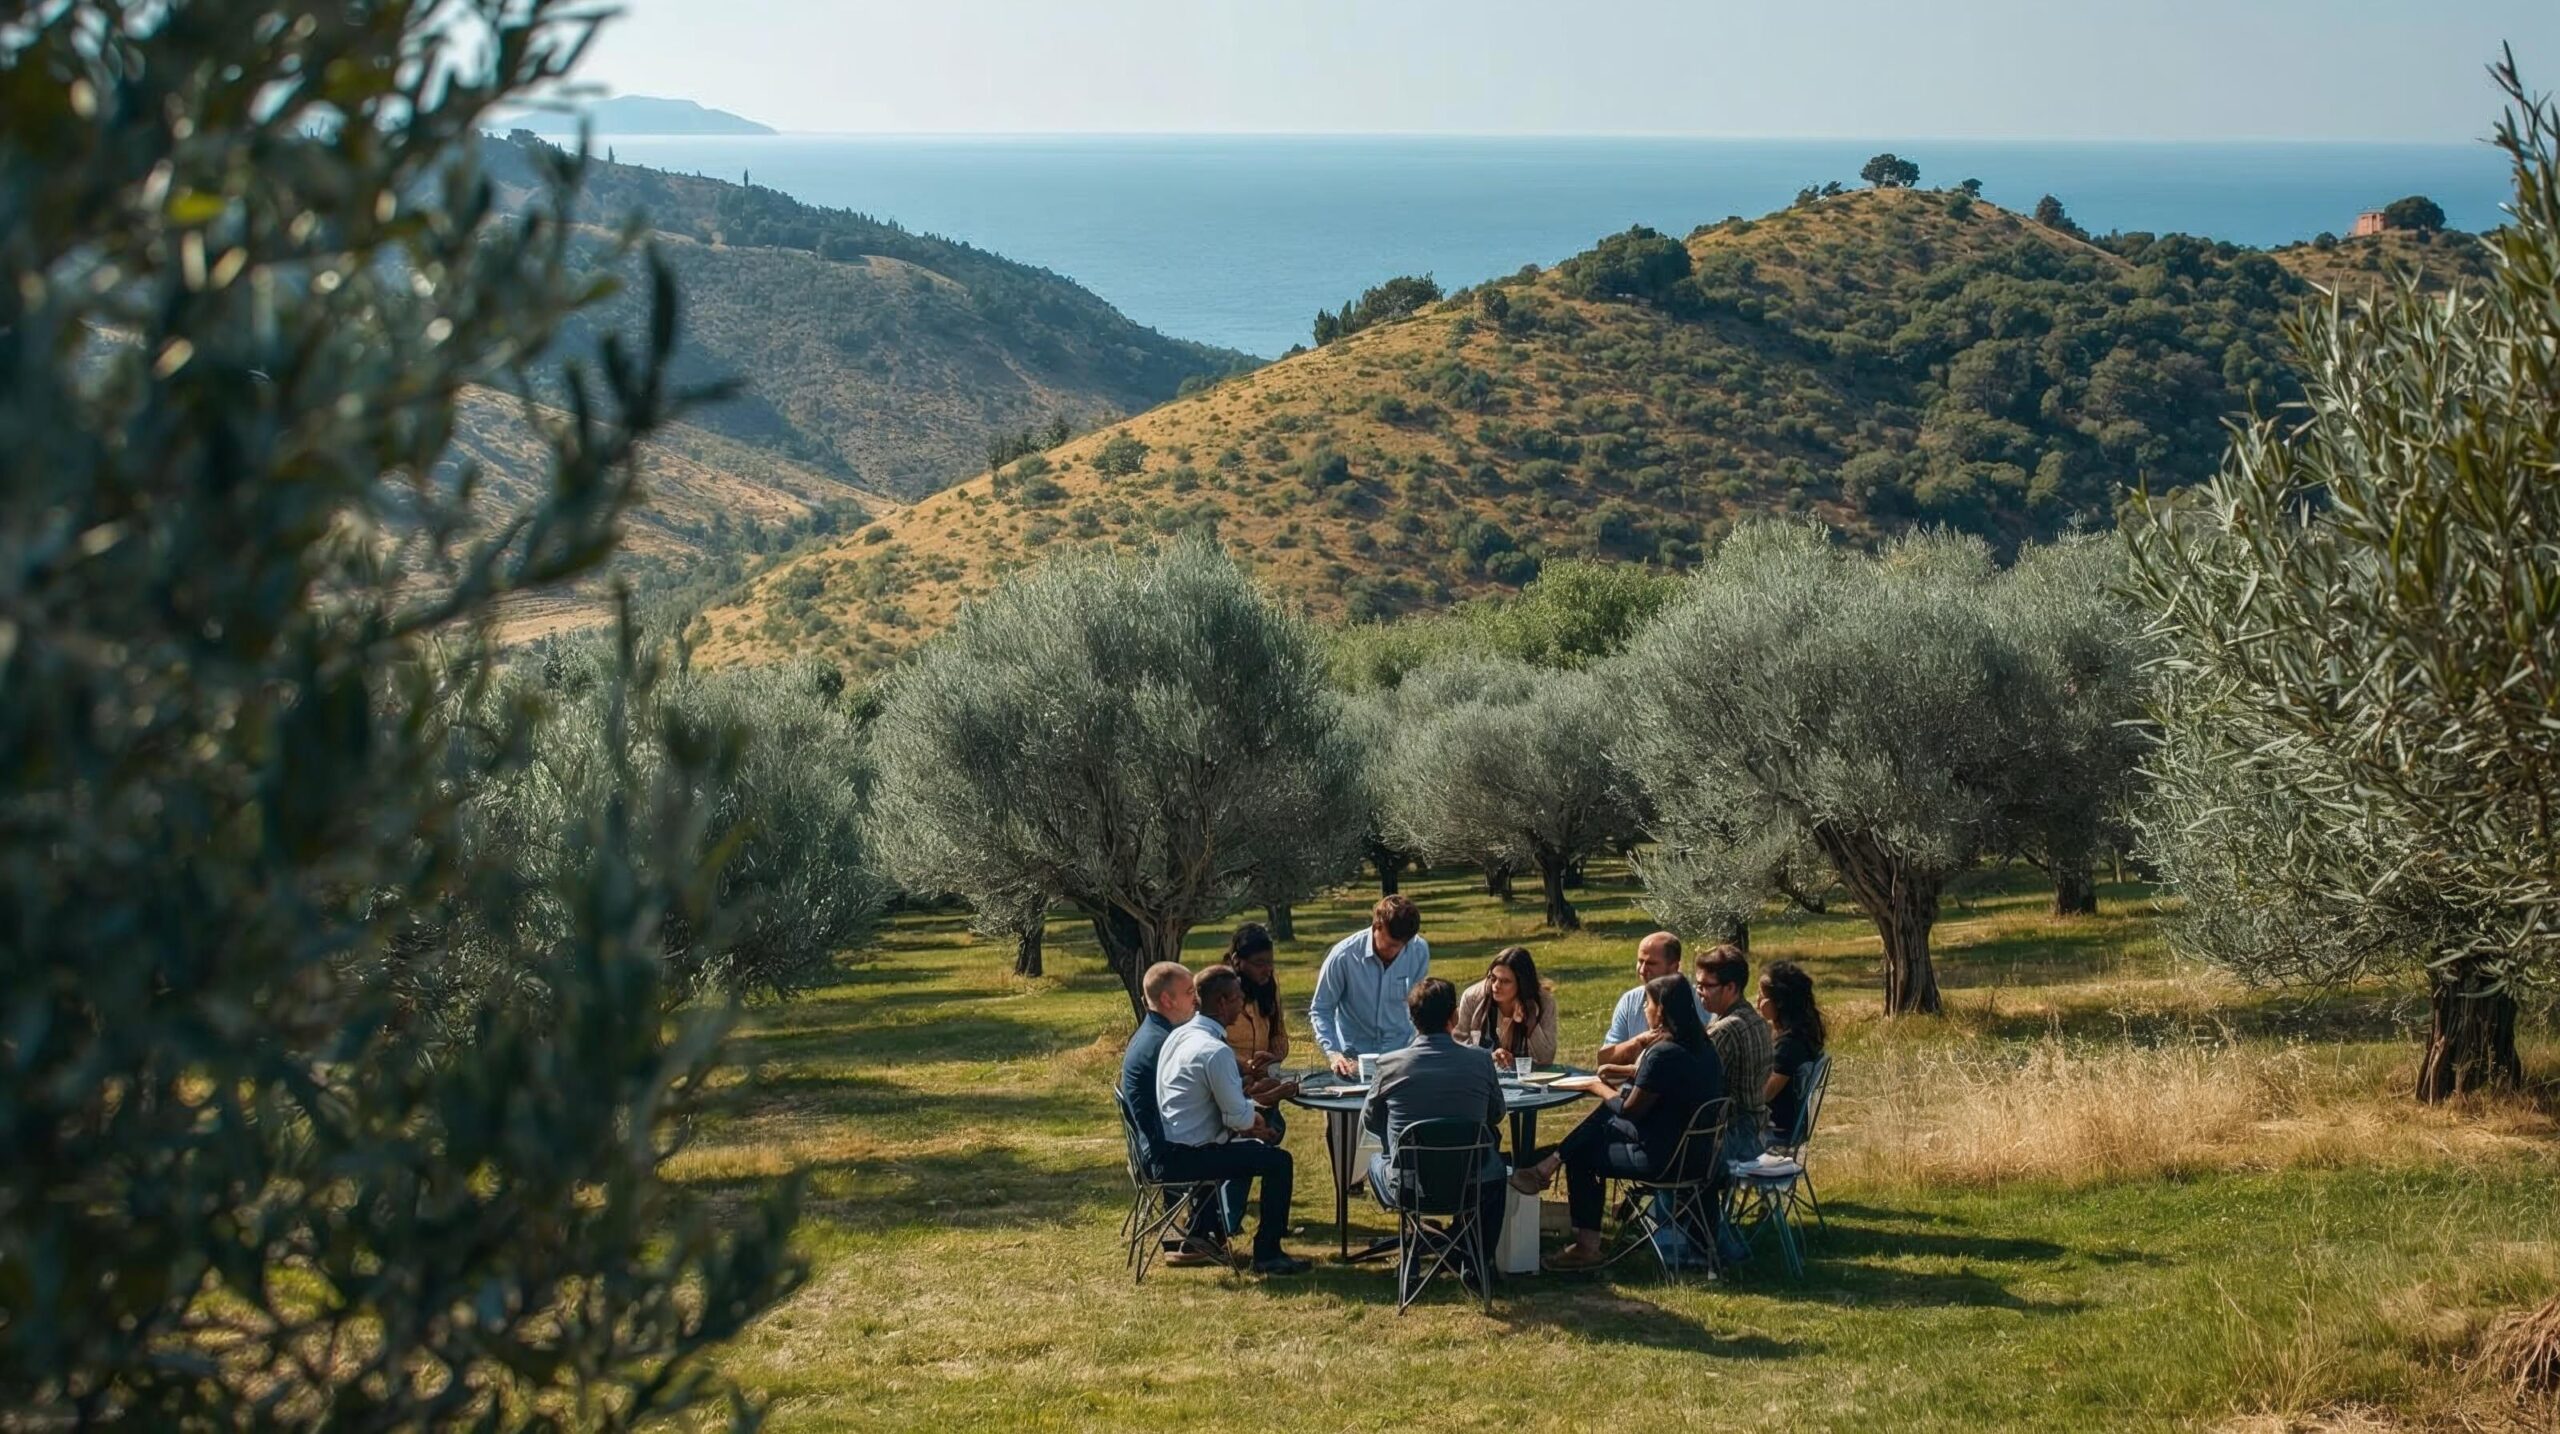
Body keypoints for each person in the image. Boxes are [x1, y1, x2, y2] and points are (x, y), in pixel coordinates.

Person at [1511, 974, 1725, 1272]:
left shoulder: (1663, 1054)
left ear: (1661, 1010)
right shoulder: (1703, 1047)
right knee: (1602, 1121)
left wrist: (1596, 1087)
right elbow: (1659, 1086)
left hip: (1662, 1159)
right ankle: (1548, 1164)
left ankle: (1586, 1245)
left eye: (1647, 1004)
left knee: (1585, 1154)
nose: (1644, 1011)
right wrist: (1617, 1070)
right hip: (1701, 1156)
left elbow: (1630, 1110)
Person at [1156, 965, 1313, 1275]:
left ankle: (1203, 1234)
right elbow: (1238, 1118)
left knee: (1253, 1147)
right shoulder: (1214, 1050)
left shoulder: (1180, 1035)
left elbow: (1223, 1104)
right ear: (1223, 1003)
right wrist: (1267, 1108)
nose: (1244, 1004)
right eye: (1240, 998)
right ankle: (1268, 1251)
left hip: (1172, 1143)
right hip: (1192, 1154)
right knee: (1278, 1162)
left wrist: (1254, 1101)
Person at [1362, 978, 1509, 1281]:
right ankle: (1476, 1259)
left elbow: (1370, 1121)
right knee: (1496, 1168)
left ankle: (1413, 1248)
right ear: (1454, 1017)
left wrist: (1396, 1140)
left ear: (1412, 1018)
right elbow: (1496, 1114)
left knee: (1377, 1162)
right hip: (1472, 1182)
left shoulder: (1390, 1065)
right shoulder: (1480, 1061)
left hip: (1409, 1185)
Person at [1118, 961, 1223, 1265]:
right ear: (1167, 1000)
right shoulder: (1164, 1044)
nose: (1196, 999)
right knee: (1237, 1146)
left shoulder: (1153, 1034)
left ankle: (1205, 1231)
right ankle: (1197, 1237)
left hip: (1149, 1147)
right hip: (1165, 1155)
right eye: (1190, 992)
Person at [1220, 923, 1300, 1237]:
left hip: (1262, 1086)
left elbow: (1280, 1034)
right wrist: (1244, 1069)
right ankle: (1228, 1221)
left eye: (1270, 963)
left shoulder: (1271, 987)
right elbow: (1212, 1047)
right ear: (1237, 961)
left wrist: (1274, 1059)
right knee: (1253, 1143)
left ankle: (1236, 1218)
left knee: (1272, 1132)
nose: (1267, 970)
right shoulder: (1220, 993)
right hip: (1229, 1086)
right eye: (1259, 964)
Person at [1308, 894, 1430, 1077]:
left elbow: (1418, 1006)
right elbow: (1321, 1009)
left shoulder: (1419, 950)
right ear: (1376, 927)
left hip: (1400, 1056)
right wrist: (1334, 1054)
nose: (1396, 952)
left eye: (1402, 946)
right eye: (1390, 945)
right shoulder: (1343, 957)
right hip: (1353, 1061)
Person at [1694, 944, 1773, 1161]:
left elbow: (1698, 1082)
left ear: (1730, 987)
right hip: (1759, 1129)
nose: (1700, 992)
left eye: (1707, 986)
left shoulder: (1725, 1029)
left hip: (1734, 1136)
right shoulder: (1756, 1020)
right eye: (1698, 985)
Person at [1594, 931, 1706, 1068]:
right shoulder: (1630, 1001)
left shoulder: (1699, 1002)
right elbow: (1605, 1059)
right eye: (1640, 961)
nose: (1642, 970)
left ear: (1674, 967)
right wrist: (1639, 1042)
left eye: (1651, 963)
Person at [1758, 960, 1828, 1149]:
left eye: (1761, 996)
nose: (1757, 1002)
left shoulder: (1789, 1045)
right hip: (1787, 1125)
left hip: (1777, 1129)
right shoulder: (1801, 1034)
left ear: (1779, 1002)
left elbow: (1766, 1094)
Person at [1453, 945, 1559, 1066]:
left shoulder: (1543, 1002)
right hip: (1482, 1074)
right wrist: (1489, 1057)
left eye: (1505, 981)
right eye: (1493, 978)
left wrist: (1531, 1022)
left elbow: (1546, 1059)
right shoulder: (1473, 997)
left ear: (1522, 984)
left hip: (1527, 1077)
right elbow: (1459, 1048)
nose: (1496, 986)